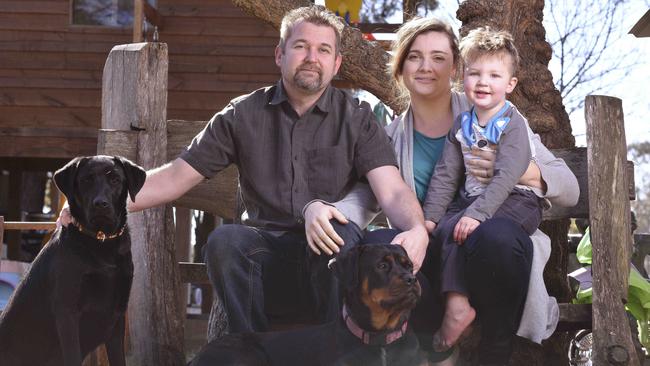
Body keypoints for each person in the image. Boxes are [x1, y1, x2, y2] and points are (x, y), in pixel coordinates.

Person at [59, 6, 429, 334]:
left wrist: (416, 229)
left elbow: (392, 191)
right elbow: (175, 177)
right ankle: (249, 350)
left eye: (323, 50)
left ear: (336, 64)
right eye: (300, 47)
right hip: (263, 252)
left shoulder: (357, 119)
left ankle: (330, 347)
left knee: (340, 236)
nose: (311, 58)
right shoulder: (243, 115)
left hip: (327, 256)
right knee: (224, 240)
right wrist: (85, 209)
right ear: (280, 54)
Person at [303, 17, 579, 365]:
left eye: (438, 57)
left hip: (489, 259)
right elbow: (366, 195)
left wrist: (517, 170)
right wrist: (319, 208)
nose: (426, 67)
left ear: (455, 68)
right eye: (415, 57)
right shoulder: (390, 137)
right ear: (400, 66)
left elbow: (568, 189)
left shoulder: (492, 116)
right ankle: (431, 349)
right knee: (374, 246)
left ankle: (496, 351)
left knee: (495, 234)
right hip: (429, 255)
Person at [423, 27, 545, 352]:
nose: (482, 82)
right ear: (462, 77)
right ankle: (457, 303)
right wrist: (431, 219)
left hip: (517, 200)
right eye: (474, 73)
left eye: (494, 75)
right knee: (448, 228)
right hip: (474, 200)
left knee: (469, 227)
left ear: (510, 84)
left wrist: (477, 214)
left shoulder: (512, 123)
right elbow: (447, 173)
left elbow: (508, 176)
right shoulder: (462, 123)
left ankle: (491, 331)